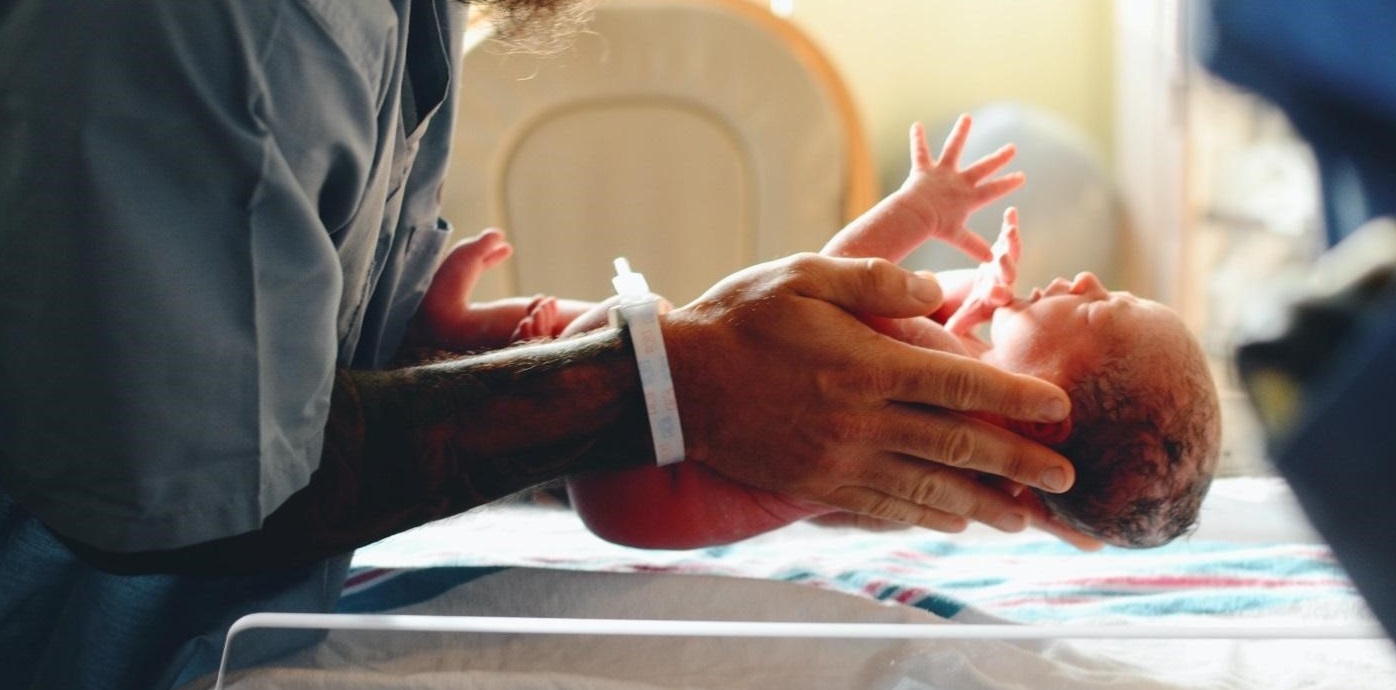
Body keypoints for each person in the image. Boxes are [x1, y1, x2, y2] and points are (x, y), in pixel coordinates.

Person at [0, 2, 1078, 688]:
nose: (1077, 285)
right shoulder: (231, 27)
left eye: (1104, 312)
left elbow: (221, 357)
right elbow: (193, 484)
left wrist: (402, 353)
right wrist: (668, 381)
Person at [559, 119, 1222, 550]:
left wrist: (920, 208)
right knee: (590, 327)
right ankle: (488, 330)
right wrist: (977, 302)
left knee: (601, 325)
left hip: (651, 472)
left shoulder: (948, 388)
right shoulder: (987, 462)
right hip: (647, 496)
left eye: (1096, 312)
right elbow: (1086, 532)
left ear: (1047, 416)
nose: (1085, 279)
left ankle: (494, 333)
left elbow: (826, 294)